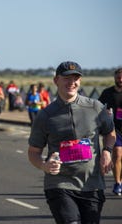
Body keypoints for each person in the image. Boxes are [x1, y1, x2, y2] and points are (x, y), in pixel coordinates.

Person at [28, 61, 116, 224]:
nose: (72, 83)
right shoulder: (46, 115)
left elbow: (110, 133)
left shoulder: (95, 107)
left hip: (92, 184)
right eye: (67, 78)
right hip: (60, 184)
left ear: (80, 81)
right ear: (56, 80)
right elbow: (33, 152)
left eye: (76, 78)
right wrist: (43, 166)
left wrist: (107, 151)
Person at [98, 67, 122, 195]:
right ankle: (117, 183)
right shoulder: (107, 92)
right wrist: (104, 112)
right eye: (118, 77)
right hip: (113, 129)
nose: (121, 80)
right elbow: (98, 107)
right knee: (117, 154)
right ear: (115, 78)